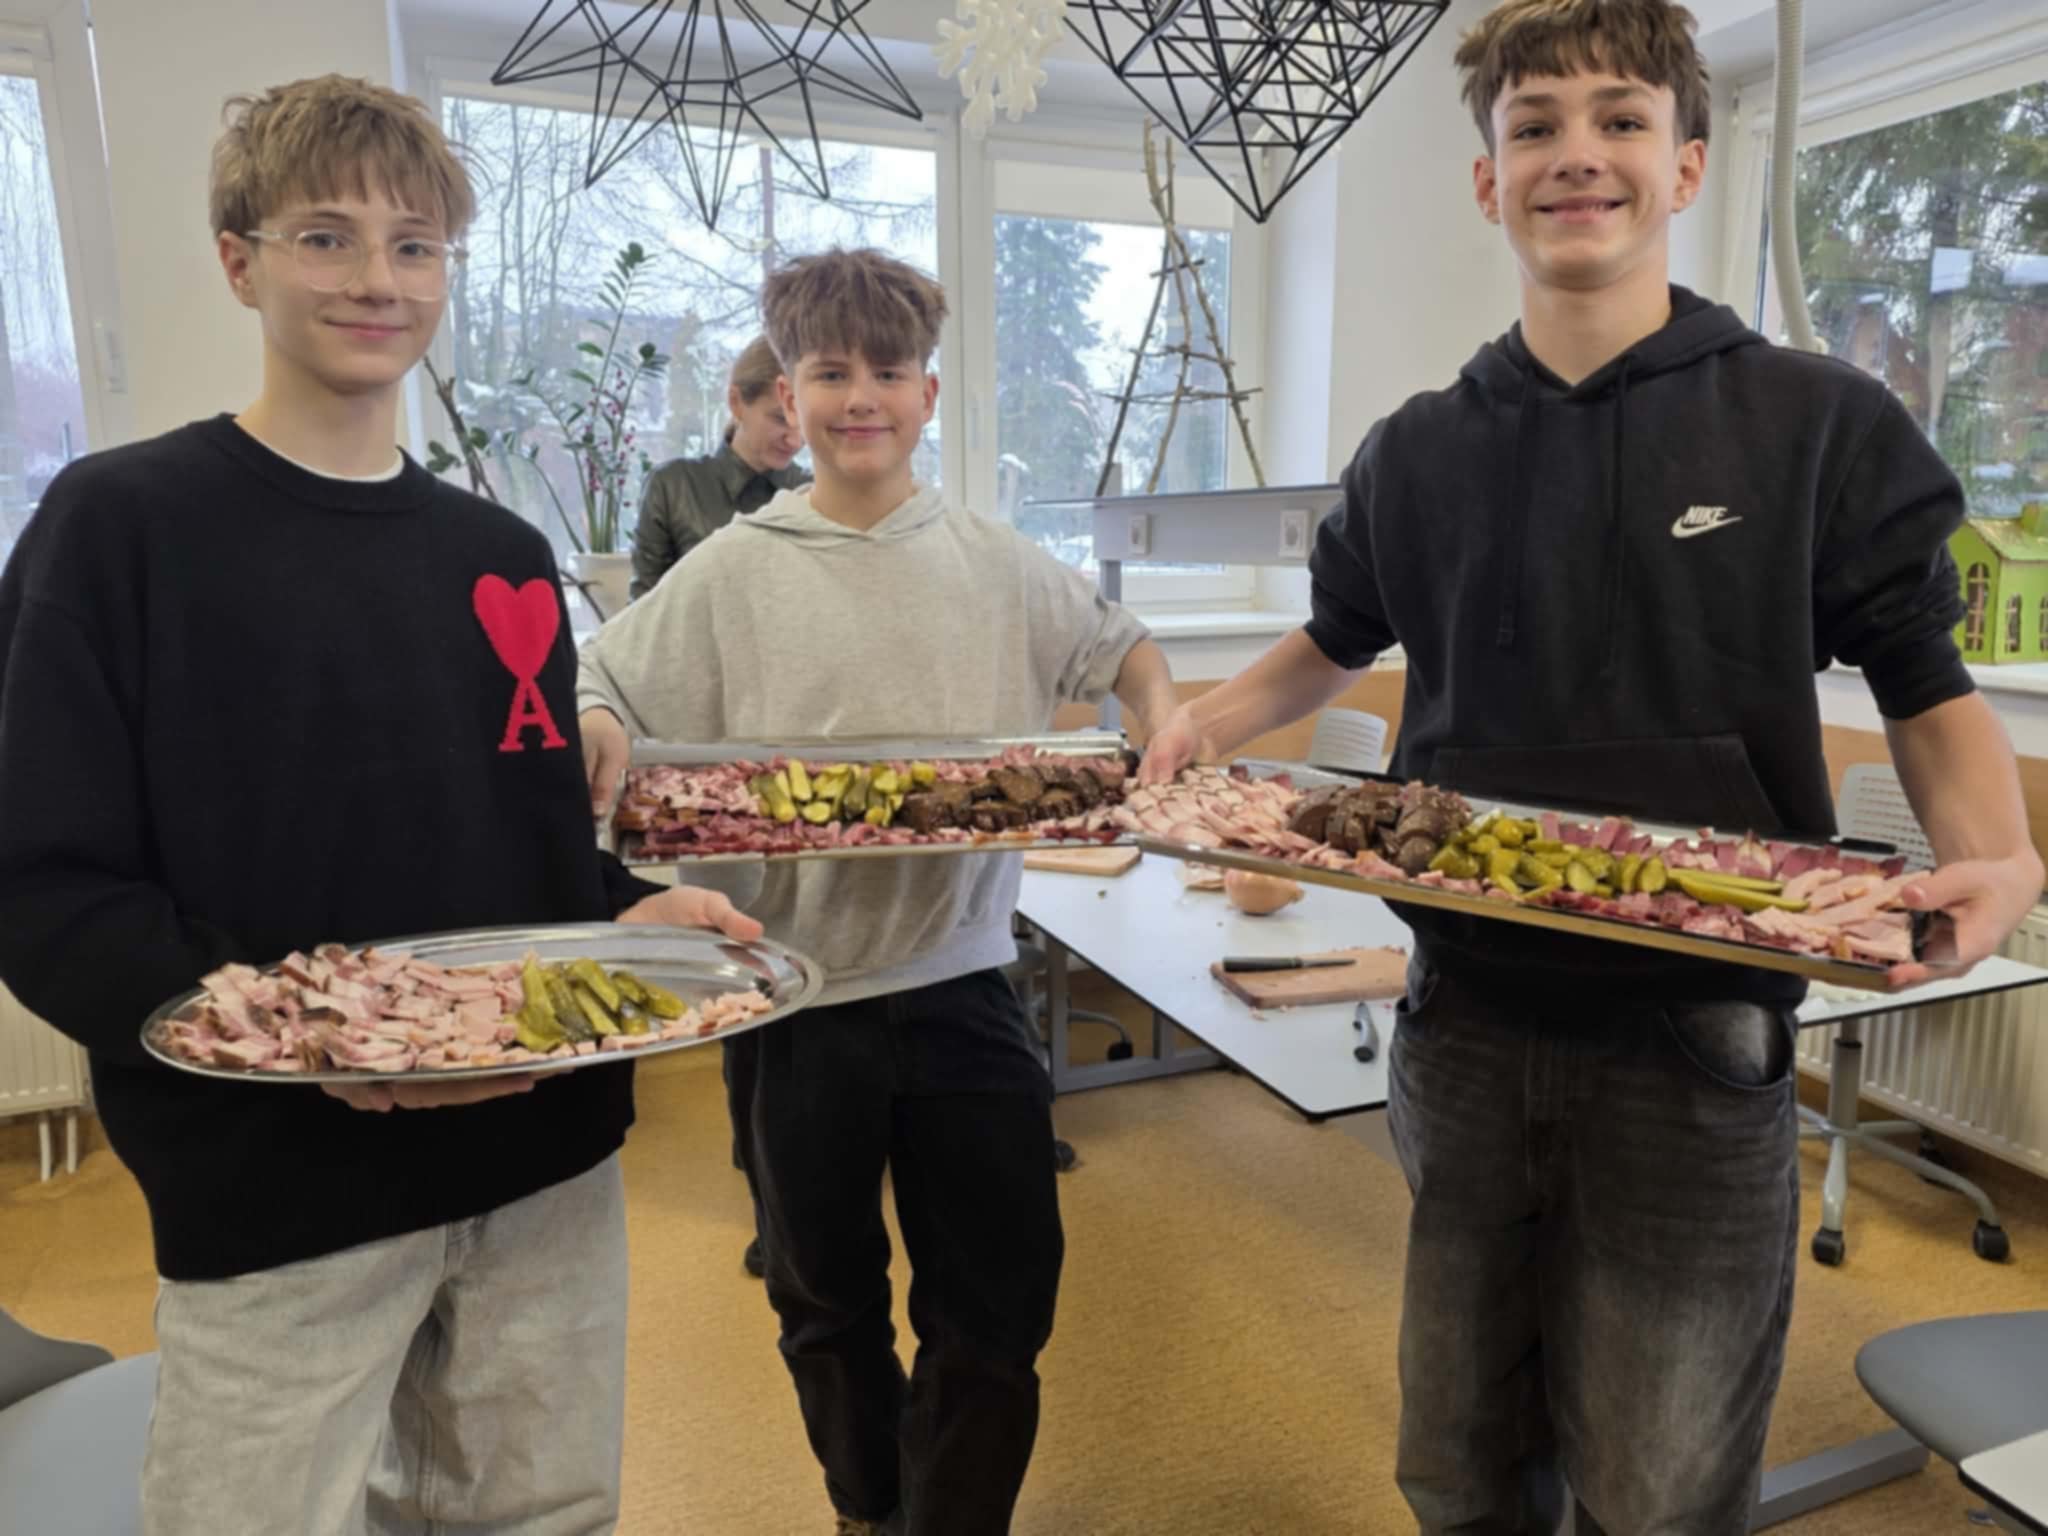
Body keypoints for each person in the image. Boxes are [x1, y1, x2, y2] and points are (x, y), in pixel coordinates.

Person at [1140, 2, 2044, 1531]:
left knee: (1660, 1482)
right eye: (1535, 127)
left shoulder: (1816, 421)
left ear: (1686, 166)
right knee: (1459, 1462)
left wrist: (2005, 856)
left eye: (1622, 119)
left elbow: (1923, 681)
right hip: (1461, 1016)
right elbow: (1332, 639)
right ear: (1486, 182)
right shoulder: (1415, 450)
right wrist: (1206, 726)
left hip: (1696, 1035)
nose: (1579, 154)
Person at [0, 75, 759, 1535]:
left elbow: (521, 845)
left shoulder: (502, 555)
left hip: (539, 1163)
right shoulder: (120, 527)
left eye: (415, 246)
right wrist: (304, 1043)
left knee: (540, 1513)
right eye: (325, 237)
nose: (377, 280)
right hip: (277, 1188)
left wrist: (627, 912)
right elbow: (45, 883)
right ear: (239, 261)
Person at [577, 247, 1180, 1536]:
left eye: (889, 373)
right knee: (821, 1296)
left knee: (999, 1299)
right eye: (830, 373)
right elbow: (600, 677)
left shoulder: (993, 561)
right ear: (786, 398)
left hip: (964, 981)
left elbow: (1120, 647)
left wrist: (1160, 710)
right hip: (791, 997)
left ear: (929, 393)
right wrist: (599, 721)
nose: (861, 398)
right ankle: (867, 1506)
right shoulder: (733, 567)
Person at [630, 335, 807, 599]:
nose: (795, 439)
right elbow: (643, 612)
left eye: (805, 421)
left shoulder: (814, 494)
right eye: (780, 418)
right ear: (736, 402)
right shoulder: (673, 486)